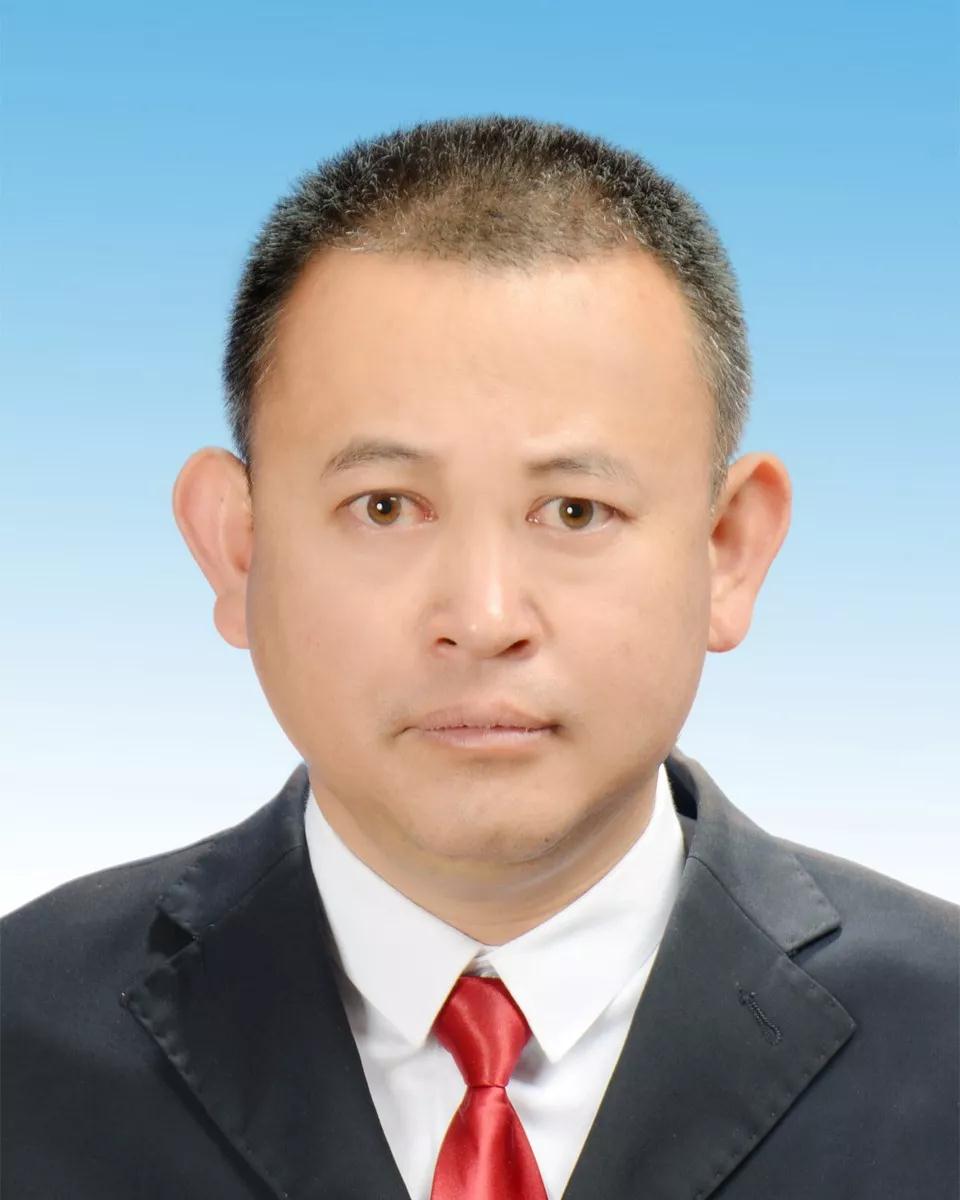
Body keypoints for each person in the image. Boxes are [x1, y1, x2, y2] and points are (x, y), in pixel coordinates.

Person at [1, 114, 956, 1200]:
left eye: (575, 509)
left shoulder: (944, 1042)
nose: (485, 616)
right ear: (237, 547)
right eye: (385, 506)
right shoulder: (23, 1039)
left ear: (728, 550)